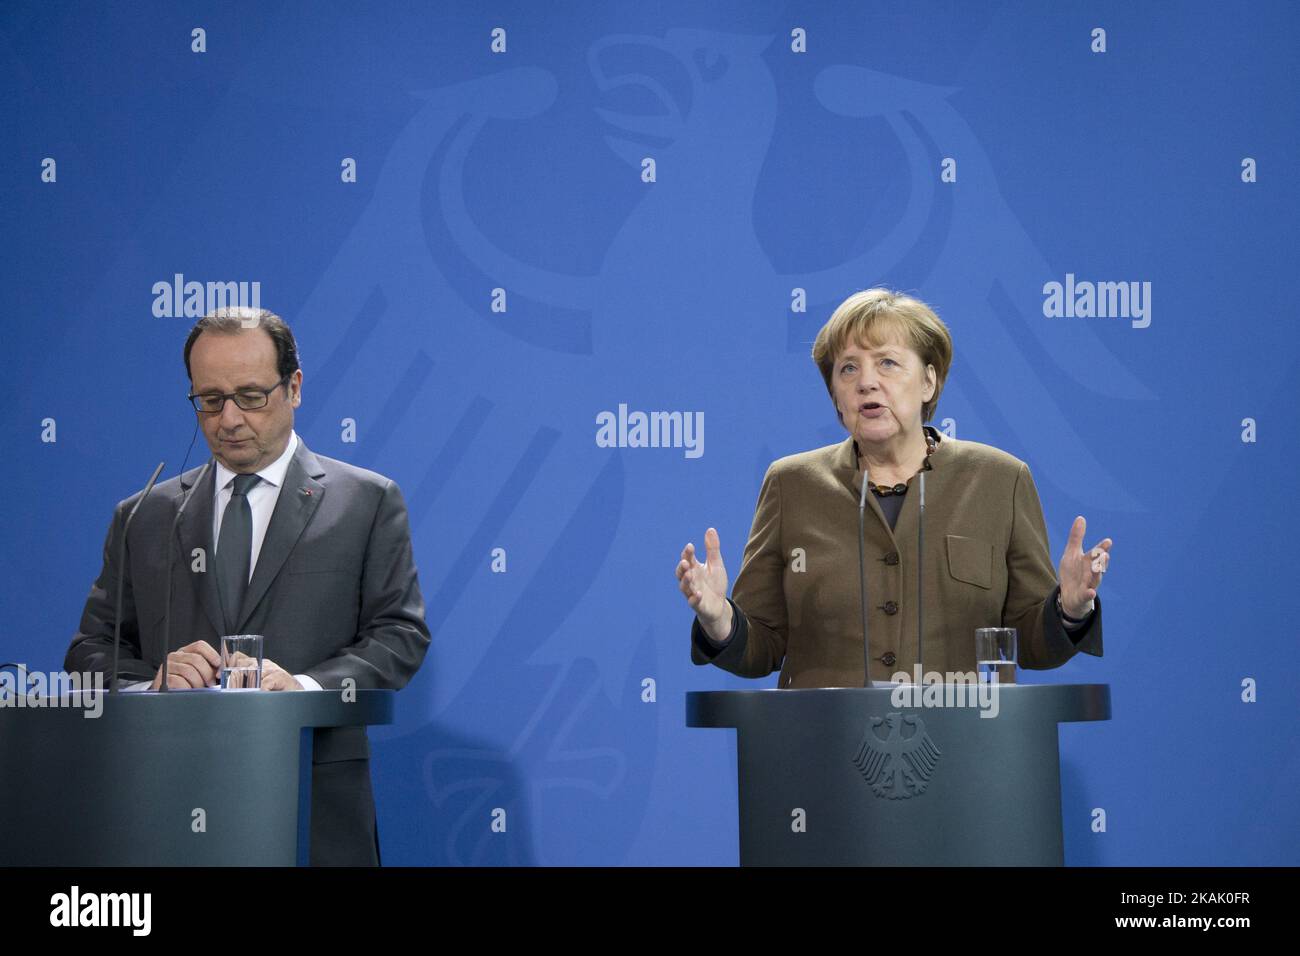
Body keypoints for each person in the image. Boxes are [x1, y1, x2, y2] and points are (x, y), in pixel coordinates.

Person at [65, 307, 431, 865]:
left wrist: (303, 687)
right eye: (209, 400)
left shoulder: (367, 502)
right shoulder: (143, 514)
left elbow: (399, 636)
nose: (228, 419)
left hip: (313, 799)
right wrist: (153, 685)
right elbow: (90, 651)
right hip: (167, 803)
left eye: (251, 396)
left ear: (295, 388)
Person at [676, 288, 1111, 687]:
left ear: (928, 381)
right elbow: (763, 646)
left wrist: (1069, 611)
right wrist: (719, 620)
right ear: (835, 394)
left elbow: (1029, 644)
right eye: (848, 368)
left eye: (887, 362)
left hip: (965, 753)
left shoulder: (1000, 480)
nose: (866, 381)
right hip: (823, 751)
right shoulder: (791, 485)